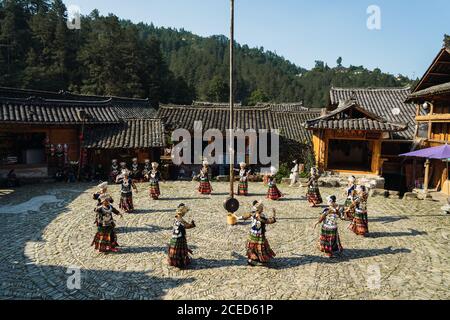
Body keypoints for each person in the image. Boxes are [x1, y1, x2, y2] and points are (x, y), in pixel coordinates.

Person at [237, 200, 277, 266]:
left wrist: (273, 217)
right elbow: (268, 221)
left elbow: (267, 221)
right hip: (255, 235)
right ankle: (253, 259)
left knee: (258, 247)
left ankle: (258, 259)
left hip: (258, 235)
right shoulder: (256, 215)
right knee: (253, 247)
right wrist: (238, 217)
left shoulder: (259, 216)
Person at [168, 203, 196, 268]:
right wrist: (192, 224)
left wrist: (191, 225)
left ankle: (174, 261)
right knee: (179, 250)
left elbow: (185, 225)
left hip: (174, 236)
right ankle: (179, 262)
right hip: (179, 237)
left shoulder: (177, 218)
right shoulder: (179, 219)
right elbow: (186, 225)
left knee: (173, 248)